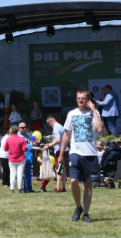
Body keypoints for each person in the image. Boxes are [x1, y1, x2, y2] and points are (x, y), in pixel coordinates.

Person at [60, 89, 104, 223]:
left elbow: (99, 129)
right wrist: (61, 154)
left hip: (90, 154)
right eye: (78, 98)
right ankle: (78, 206)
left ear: (88, 100)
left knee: (88, 185)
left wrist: (94, 110)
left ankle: (86, 213)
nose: (80, 100)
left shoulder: (94, 113)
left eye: (83, 98)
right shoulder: (71, 114)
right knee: (73, 181)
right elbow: (67, 134)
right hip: (75, 153)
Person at [42, 115, 67, 193]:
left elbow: (58, 140)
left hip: (59, 150)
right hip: (65, 149)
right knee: (63, 168)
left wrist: (48, 145)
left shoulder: (56, 127)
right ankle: (63, 187)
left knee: (58, 169)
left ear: (51, 121)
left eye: (49, 124)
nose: (49, 125)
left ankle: (58, 188)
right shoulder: (60, 126)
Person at [4, 125, 27, 193]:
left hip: (12, 159)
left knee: (12, 174)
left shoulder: (8, 139)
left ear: (11, 131)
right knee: (20, 174)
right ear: (17, 131)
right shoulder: (22, 139)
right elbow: (24, 149)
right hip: (21, 159)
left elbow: (5, 149)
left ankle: (12, 189)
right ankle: (19, 189)